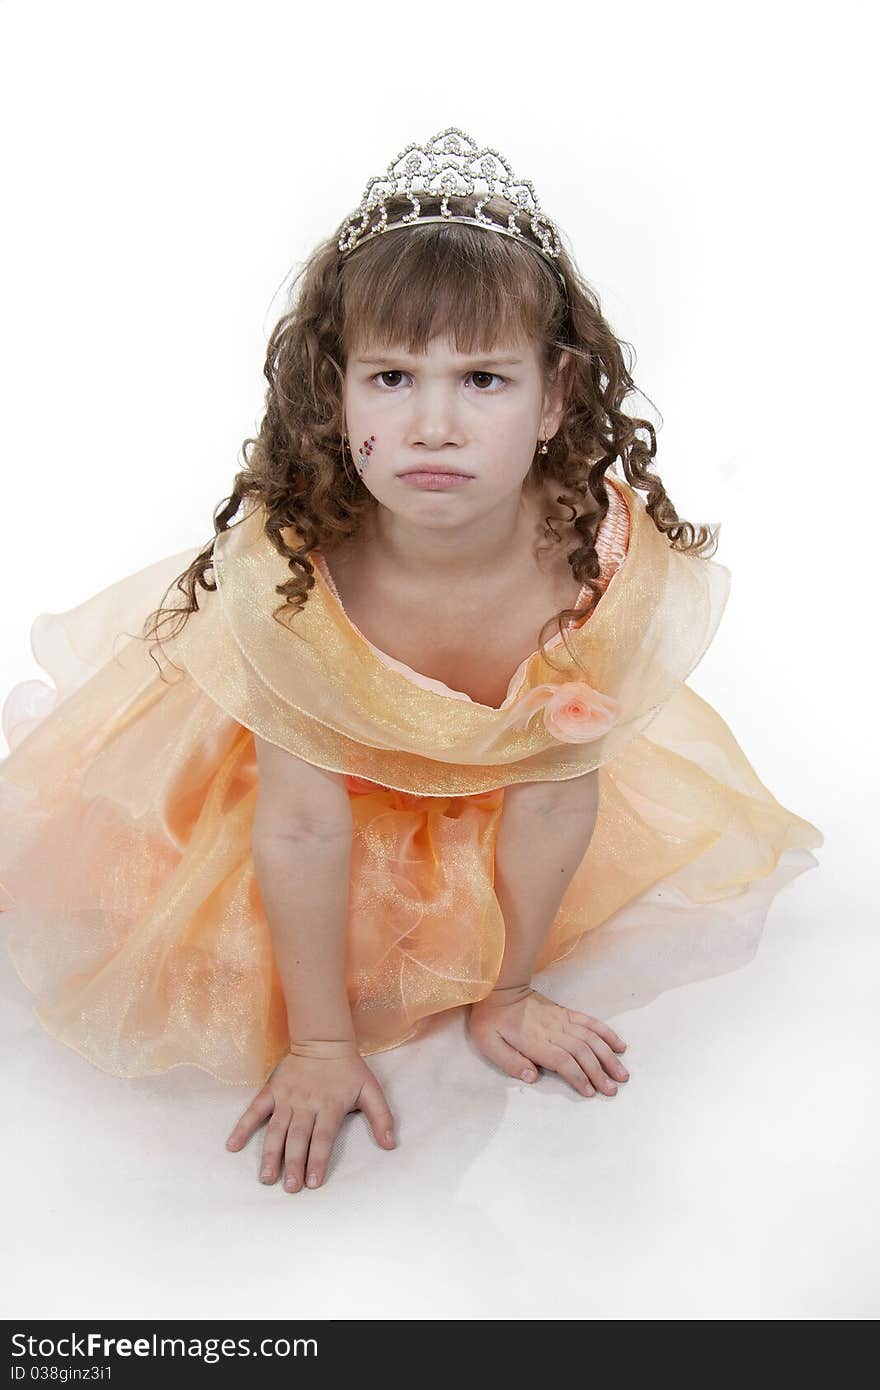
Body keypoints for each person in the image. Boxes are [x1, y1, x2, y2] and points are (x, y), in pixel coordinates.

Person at [0, 126, 823, 1194]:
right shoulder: (298, 578)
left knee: (545, 777)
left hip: (509, 783)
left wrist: (508, 985)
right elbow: (298, 821)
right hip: (307, 787)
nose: (433, 424)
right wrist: (322, 1043)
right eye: (391, 377)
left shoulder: (596, 565)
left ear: (556, 402)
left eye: (483, 378)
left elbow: (554, 785)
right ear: (336, 399)